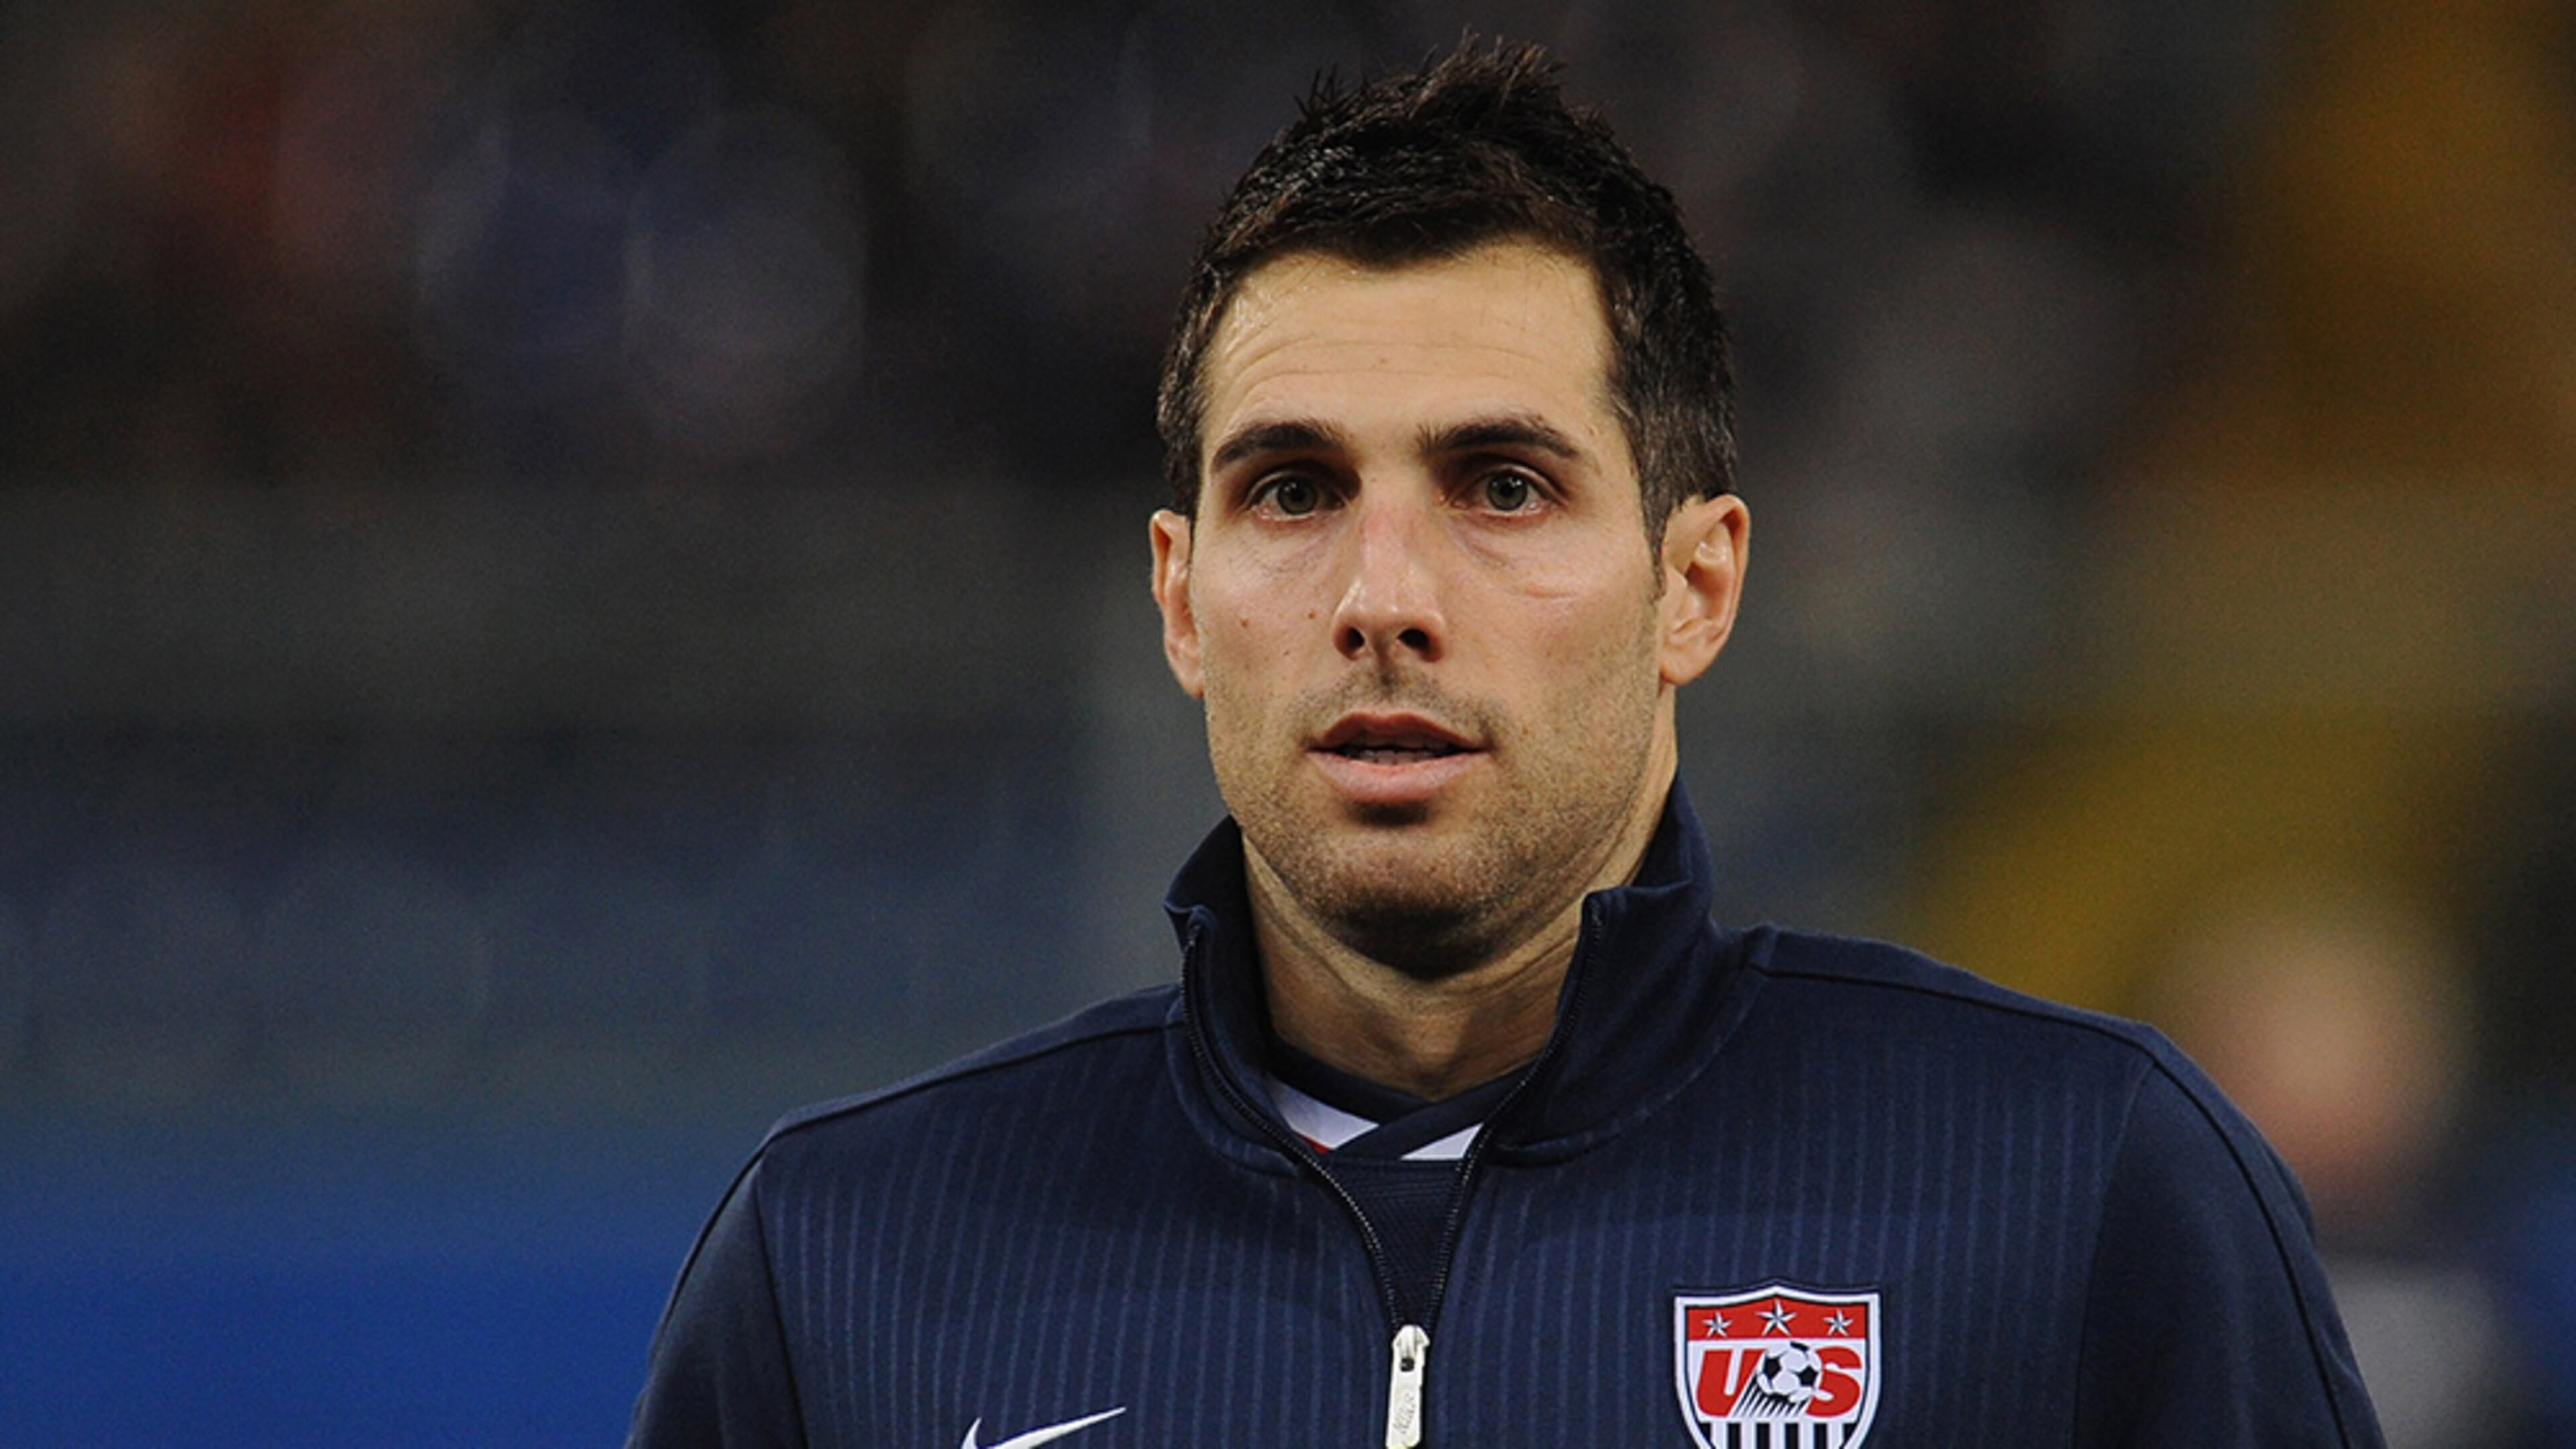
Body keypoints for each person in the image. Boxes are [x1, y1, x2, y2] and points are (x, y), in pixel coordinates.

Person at [630, 41, 2381, 1448]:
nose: (1384, 594)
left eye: (1505, 485)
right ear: (1180, 600)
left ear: (1696, 585)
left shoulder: (2082, 1195)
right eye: (1295, 490)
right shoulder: (844, 1264)